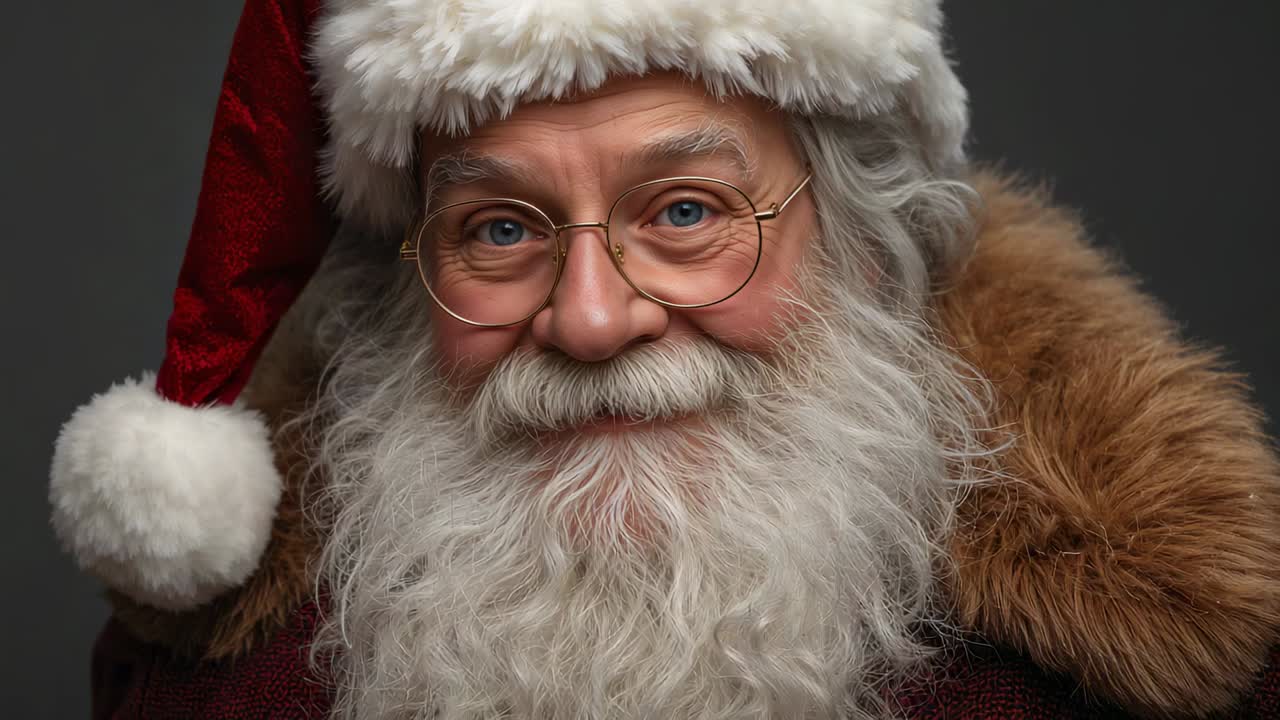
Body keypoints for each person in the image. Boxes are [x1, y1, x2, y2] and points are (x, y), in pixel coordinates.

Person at [50, 0, 1280, 718]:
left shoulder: (1090, 696)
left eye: (686, 212)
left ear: (858, 243)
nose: (590, 320)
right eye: (498, 228)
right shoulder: (226, 698)